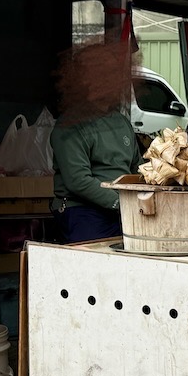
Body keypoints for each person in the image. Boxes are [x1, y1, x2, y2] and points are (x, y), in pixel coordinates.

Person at [50, 41, 142, 243]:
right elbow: (78, 181)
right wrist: (122, 203)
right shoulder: (70, 124)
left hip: (122, 210)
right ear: (85, 79)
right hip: (81, 211)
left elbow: (139, 168)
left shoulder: (121, 121)